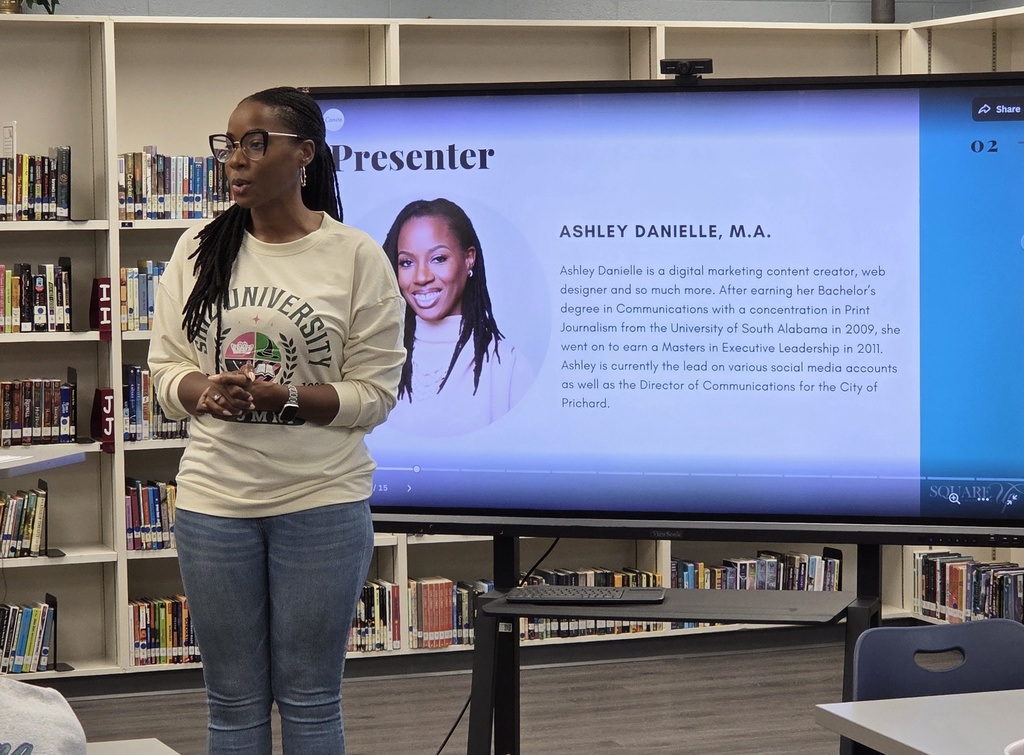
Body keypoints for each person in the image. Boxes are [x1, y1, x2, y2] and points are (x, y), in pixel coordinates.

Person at [148, 86, 406, 754]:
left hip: (321, 503)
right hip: (214, 504)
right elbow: (165, 373)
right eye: (228, 144)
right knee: (231, 703)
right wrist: (205, 391)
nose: (235, 159)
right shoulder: (198, 248)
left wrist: (284, 398)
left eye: (255, 143)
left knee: (312, 701)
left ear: (304, 155)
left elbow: (375, 396)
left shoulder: (356, 257)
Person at [381, 198, 533, 436]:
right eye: (407, 262)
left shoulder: (508, 368)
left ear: (469, 258)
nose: (421, 277)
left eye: (438, 258)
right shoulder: (378, 359)